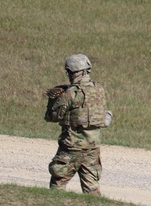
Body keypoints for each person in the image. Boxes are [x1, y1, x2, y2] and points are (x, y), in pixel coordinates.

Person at [44, 54, 112, 195]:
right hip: (92, 147)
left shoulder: (70, 93)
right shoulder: (99, 90)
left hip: (72, 147)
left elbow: (51, 117)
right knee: (92, 188)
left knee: (58, 183)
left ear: (71, 72)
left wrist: (53, 99)